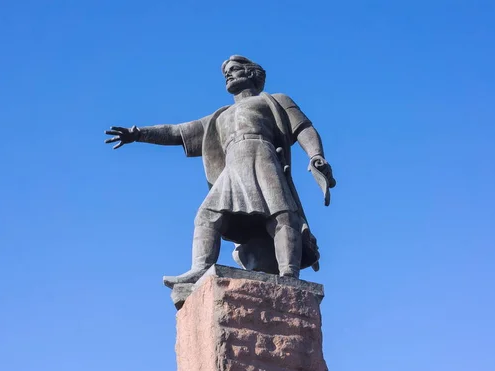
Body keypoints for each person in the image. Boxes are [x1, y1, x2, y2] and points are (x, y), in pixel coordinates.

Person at [105, 55, 335, 287]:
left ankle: (289, 274)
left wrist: (316, 155)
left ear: (251, 73)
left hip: (263, 156)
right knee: (206, 216)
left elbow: (304, 128)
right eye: (226, 71)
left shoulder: (275, 100)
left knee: (281, 214)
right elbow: (177, 132)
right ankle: (200, 269)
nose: (228, 74)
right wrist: (138, 134)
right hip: (233, 165)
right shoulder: (219, 116)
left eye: (234, 69)